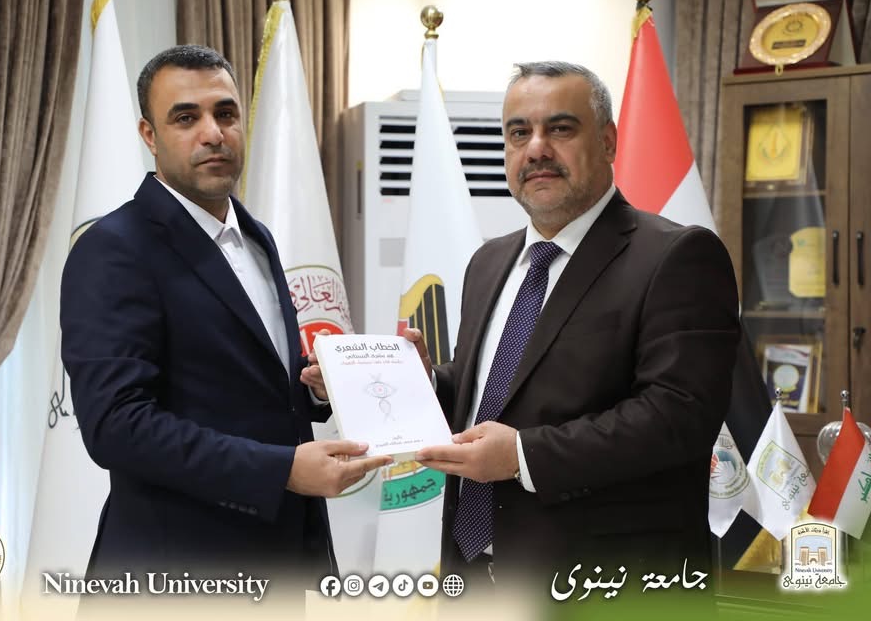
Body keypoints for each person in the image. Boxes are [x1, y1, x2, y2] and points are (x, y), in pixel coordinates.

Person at [308, 61, 740, 599]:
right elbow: (494, 393)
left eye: (560, 128)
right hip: (475, 576)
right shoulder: (489, 262)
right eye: (518, 132)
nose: (536, 149)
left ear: (608, 141)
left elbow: (679, 417)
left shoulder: (676, 256)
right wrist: (420, 381)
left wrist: (523, 456)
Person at [60, 45, 391, 589]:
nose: (213, 133)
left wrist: (315, 387)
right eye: (186, 118)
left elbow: (249, 382)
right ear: (149, 136)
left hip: (281, 560)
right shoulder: (114, 248)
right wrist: (282, 470)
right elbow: (115, 426)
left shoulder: (256, 236)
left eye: (226, 113)